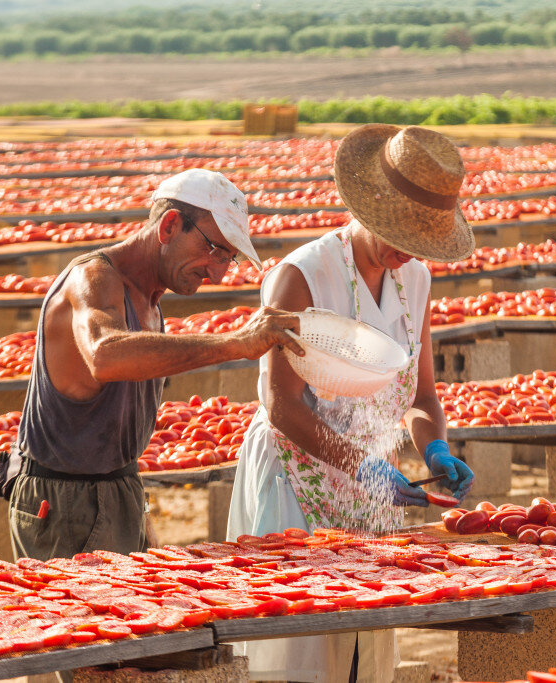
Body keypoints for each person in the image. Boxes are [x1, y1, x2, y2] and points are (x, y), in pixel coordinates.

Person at [226, 124, 475, 683]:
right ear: (366, 206)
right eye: (395, 232)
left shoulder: (415, 277)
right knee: (299, 644)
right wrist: (361, 465)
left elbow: (421, 395)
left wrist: (434, 445)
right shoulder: (303, 276)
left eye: (417, 240)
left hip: (363, 476)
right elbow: (280, 403)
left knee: (363, 637)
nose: (403, 250)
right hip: (298, 473)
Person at [2, 168, 302, 561]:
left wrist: (134, 505)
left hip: (115, 484)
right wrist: (235, 342)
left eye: (228, 259)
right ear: (170, 226)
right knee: (79, 619)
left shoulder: (151, 301)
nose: (217, 272)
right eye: (214, 250)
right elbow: (105, 354)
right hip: (62, 498)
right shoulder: (93, 277)